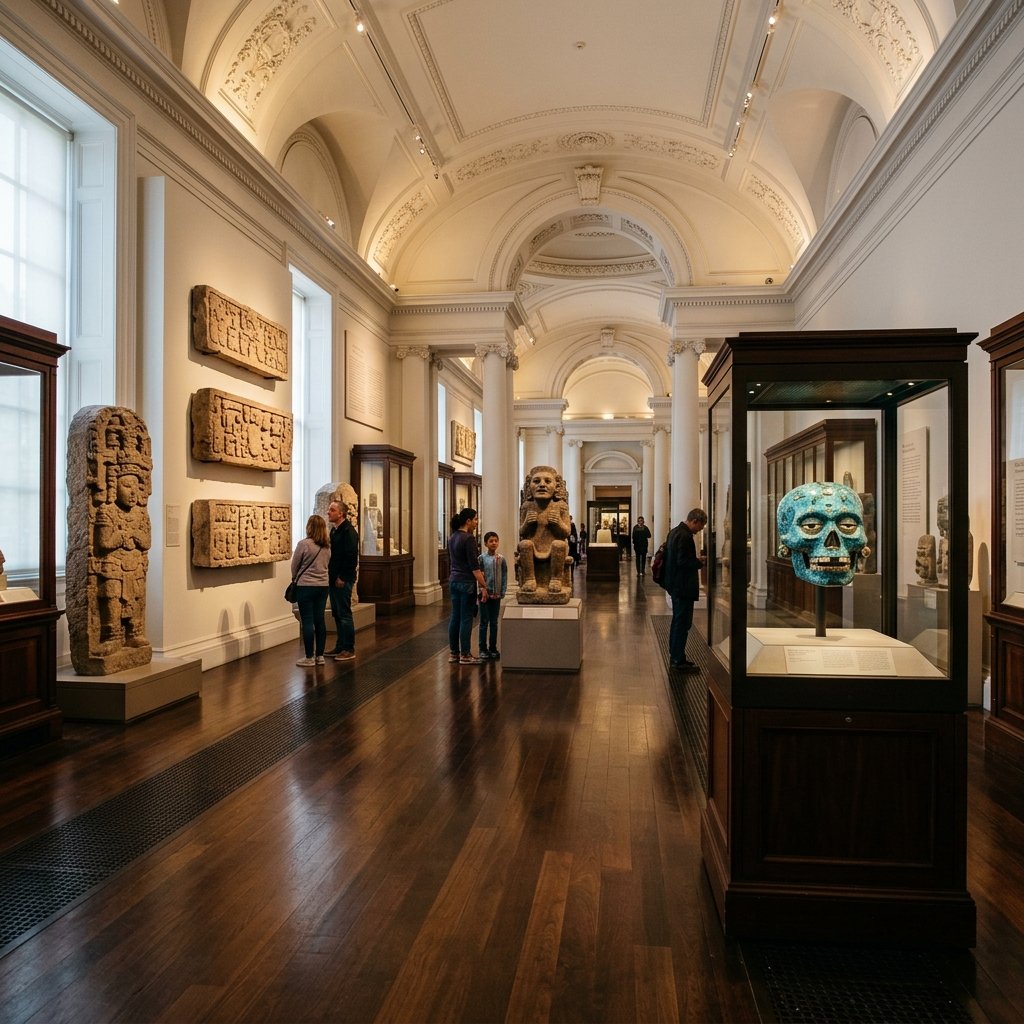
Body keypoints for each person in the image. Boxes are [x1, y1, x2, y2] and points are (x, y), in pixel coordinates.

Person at [663, 508, 708, 671]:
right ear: (695, 521)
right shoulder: (685, 536)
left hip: (675, 585)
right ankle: (678, 660)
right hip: (683, 586)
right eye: (700, 526)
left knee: (678, 621)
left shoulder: (674, 532)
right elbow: (682, 562)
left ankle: (675, 654)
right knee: (682, 623)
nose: (699, 530)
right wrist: (699, 562)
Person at [518, 466, 571, 594]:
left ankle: (556, 579)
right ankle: (530, 579)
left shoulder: (561, 506)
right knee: (524, 544)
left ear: (557, 487)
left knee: (559, 544)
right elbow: (522, 532)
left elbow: (566, 532)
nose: (542, 485)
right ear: (529, 486)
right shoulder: (527, 506)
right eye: (536, 481)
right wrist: (527, 524)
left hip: (554, 547)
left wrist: (558, 523)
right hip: (533, 547)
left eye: (547, 481)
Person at [448, 507, 488, 664]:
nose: (477, 522)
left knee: (455, 617)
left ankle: (454, 653)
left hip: (454, 580)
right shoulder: (469, 539)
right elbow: (474, 567)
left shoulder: (452, 537)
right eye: (475, 519)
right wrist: (484, 586)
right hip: (466, 582)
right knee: (466, 618)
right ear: (468, 521)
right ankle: (465, 654)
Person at [291, 514, 331, 667]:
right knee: (319, 620)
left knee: (307, 620)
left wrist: (295, 577)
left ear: (309, 527)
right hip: (323, 586)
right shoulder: (327, 546)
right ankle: (320, 656)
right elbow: (327, 564)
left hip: (306, 586)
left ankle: (309, 657)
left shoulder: (304, 544)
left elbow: (295, 565)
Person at [326, 500, 359, 661]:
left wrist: (343, 577)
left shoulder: (348, 531)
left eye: (332, 510)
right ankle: (340, 646)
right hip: (334, 577)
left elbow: (351, 556)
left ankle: (348, 648)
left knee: (344, 613)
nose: (328, 512)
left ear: (341, 513)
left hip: (342, 579)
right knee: (337, 613)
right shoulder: (335, 530)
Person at [477, 531, 508, 659]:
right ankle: (482, 649)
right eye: (491, 541)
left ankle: (493, 648)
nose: (494, 543)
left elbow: (504, 574)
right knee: (484, 622)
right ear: (485, 543)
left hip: (496, 594)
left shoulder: (501, 559)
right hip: (484, 595)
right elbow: (479, 575)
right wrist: (481, 589)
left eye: (496, 540)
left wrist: (503, 590)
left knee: (494, 622)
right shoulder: (481, 558)